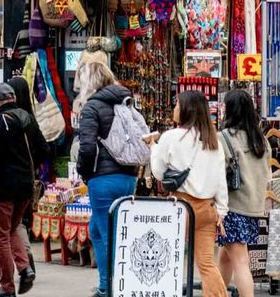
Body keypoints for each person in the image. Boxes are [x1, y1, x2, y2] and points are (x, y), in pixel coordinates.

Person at [151, 91, 228, 297]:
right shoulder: (213, 141)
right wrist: (221, 211)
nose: (174, 109)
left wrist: (153, 148)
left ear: (186, 109)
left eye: (177, 105)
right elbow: (221, 181)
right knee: (206, 264)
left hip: (180, 207)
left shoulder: (171, 137)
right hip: (207, 208)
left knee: (167, 259)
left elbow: (158, 172)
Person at [76, 61, 139, 297]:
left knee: (107, 233)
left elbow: (87, 147)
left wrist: (85, 173)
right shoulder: (125, 102)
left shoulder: (91, 107)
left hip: (102, 178)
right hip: (128, 175)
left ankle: (108, 286)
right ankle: (113, 282)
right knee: (99, 230)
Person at [0, 83, 47, 297]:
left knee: (0, 235)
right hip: (25, 186)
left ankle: (7, 286)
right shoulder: (28, 119)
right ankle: (25, 268)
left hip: (1, 187)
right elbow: (44, 150)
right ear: (14, 99)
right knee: (14, 227)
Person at [217, 89, 271, 297]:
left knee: (240, 261)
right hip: (254, 208)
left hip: (232, 207)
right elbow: (268, 175)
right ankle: (219, 294)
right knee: (226, 256)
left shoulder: (224, 138)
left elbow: (216, 173)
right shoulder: (262, 141)